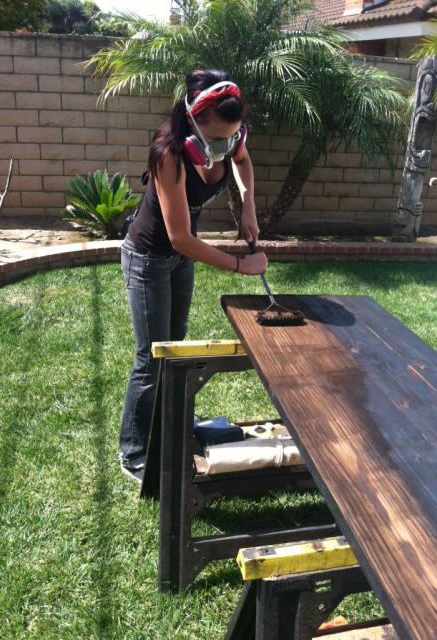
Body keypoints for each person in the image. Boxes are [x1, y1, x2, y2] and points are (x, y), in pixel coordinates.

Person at [119, 68, 268, 483]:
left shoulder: (231, 137)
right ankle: (133, 452)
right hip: (148, 258)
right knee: (151, 357)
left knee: (176, 348)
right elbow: (181, 238)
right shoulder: (169, 154)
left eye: (231, 136)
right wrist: (240, 265)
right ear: (193, 120)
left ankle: (173, 424)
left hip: (178, 262)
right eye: (217, 138)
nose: (225, 146)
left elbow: (242, 161)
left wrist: (248, 206)